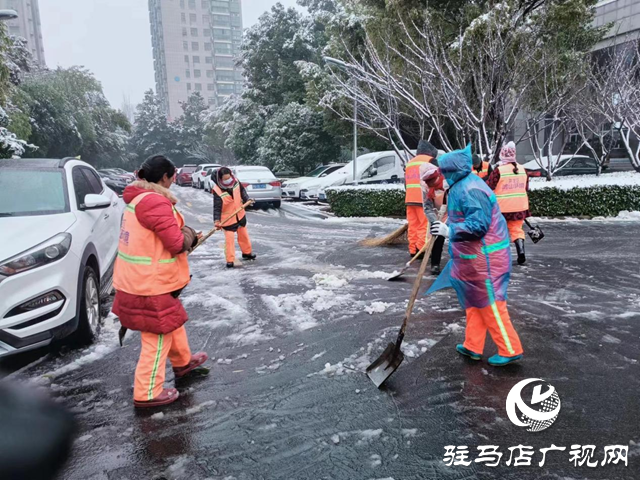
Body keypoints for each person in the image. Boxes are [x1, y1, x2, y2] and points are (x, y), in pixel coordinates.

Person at [112, 155, 208, 408]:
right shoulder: (154, 201)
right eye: (172, 177)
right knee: (158, 336)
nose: (174, 181)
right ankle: (147, 393)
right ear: (164, 177)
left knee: (171, 321)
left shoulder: (138, 198)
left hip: (140, 280)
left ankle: (183, 363)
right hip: (149, 284)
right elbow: (176, 243)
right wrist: (189, 234)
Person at [429, 144, 524, 367]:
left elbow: (478, 225)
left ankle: (510, 348)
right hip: (474, 258)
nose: (441, 176)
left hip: (488, 259)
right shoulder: (461, 186)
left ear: (452, 171)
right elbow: (460, 216)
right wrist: (445, 224)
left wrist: (450, 231)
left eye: (444, 171)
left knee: (491, 304)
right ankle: (473, 345)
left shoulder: (471, 189)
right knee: (474, 302)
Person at [485, 141, 530, 265]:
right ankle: (521, 252)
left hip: (502, 208)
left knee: (498, 230)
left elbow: (489, 186)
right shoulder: (523, 169)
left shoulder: (499, 170)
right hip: (520, 206)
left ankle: (499, 256)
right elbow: (526, 188)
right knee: (516, 229)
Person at [212, 167, 255, 268]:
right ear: (220, 179)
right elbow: (217, 207)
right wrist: (217, 220)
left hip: (240, 214)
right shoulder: (217, 190)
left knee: (244, 236)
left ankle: (247, 253)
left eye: (229, 177)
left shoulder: (236, 182)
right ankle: (230, 260)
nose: (229, 180)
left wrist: (247, 200)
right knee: (229, 240)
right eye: (225, 179)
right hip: (228, 219)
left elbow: (242, 192)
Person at [405, 140, 439, 257]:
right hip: (423, 199)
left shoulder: (410, 163)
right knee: (424, 225)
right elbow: (436, 180)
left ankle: (413, 250)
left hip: (410, 199)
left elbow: (406, 183)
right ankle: (421, 250)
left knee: (412, 226)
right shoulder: (431, 161)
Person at [419, 161, 447, 275]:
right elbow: (427, 208)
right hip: (437, 214)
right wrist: (435, 222)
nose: (429, 184)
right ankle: (435, 264)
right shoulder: (425, 187)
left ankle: (460, 264)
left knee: (456, 237)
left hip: (451, 212)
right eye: (427, 182)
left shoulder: (447, 183)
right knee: (437, 237)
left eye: (431, 181)